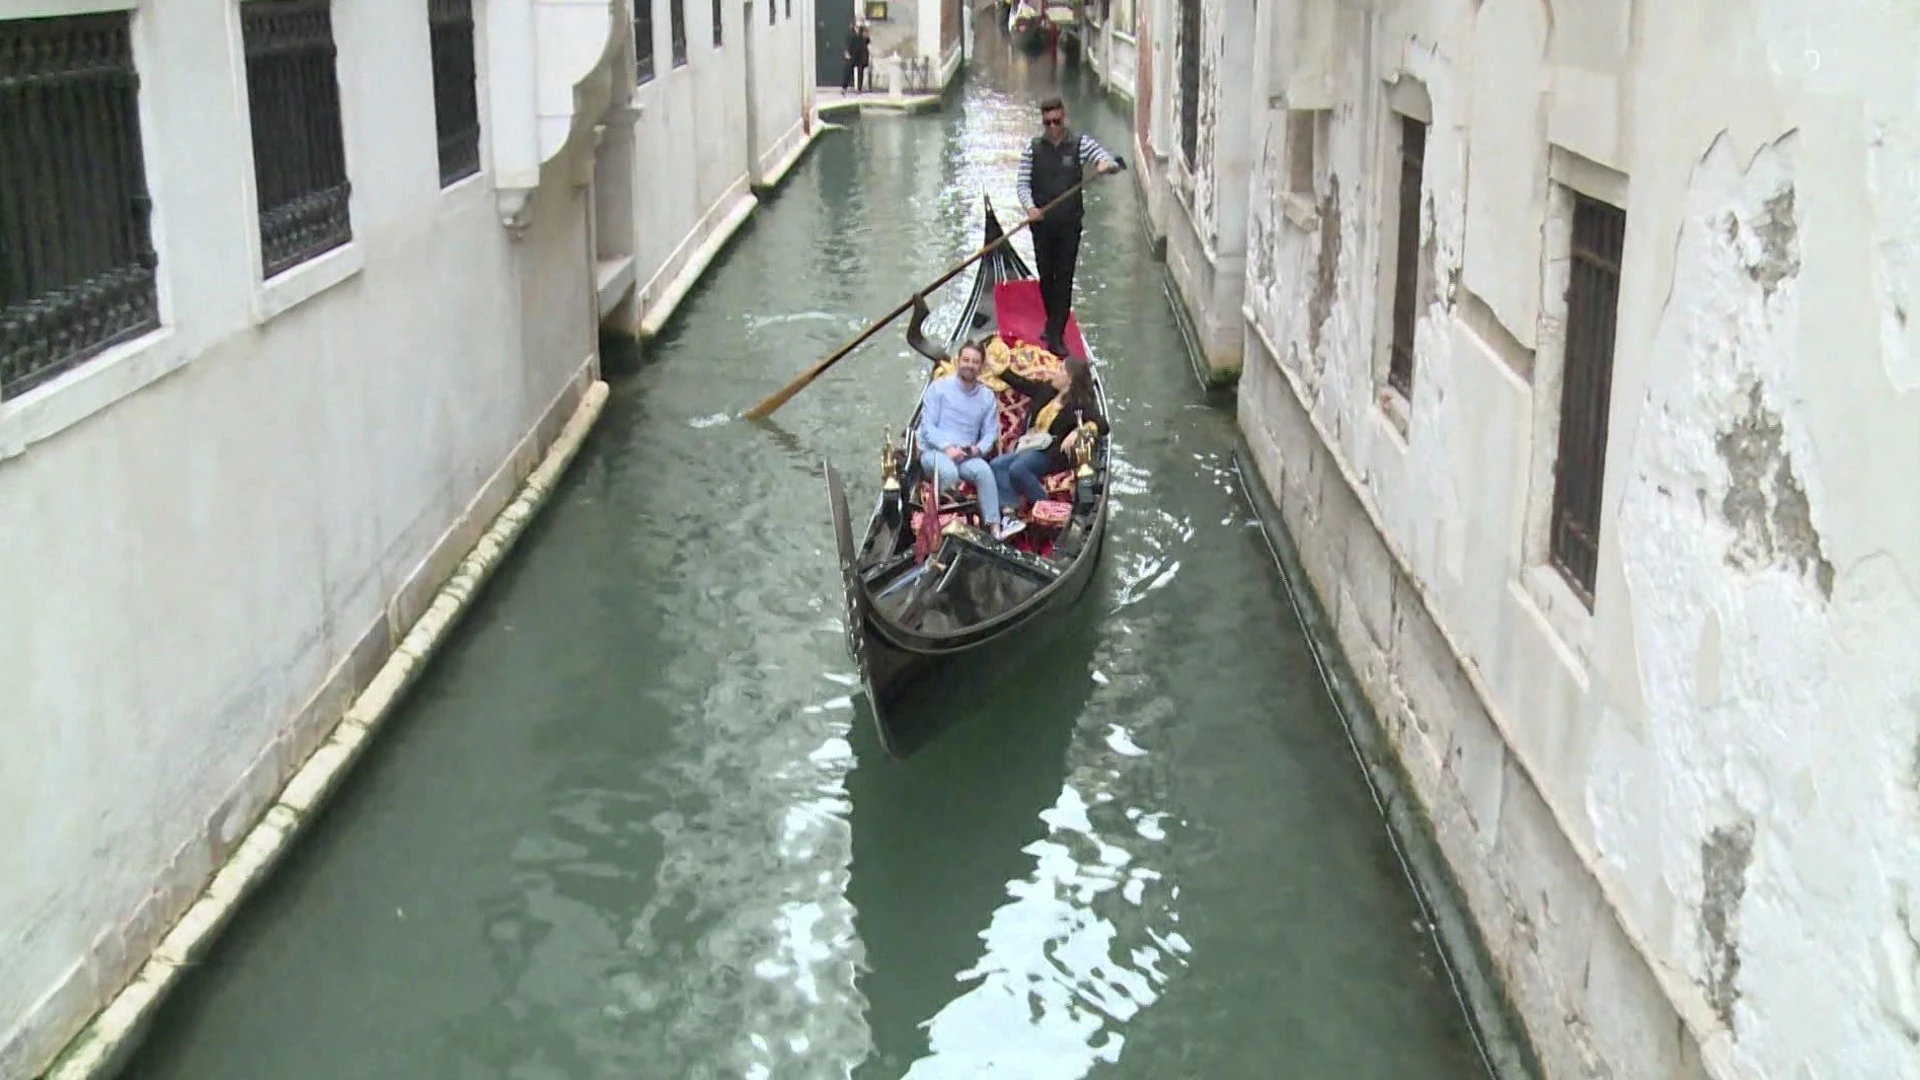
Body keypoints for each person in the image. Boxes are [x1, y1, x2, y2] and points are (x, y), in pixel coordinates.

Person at [1016, 95, 1120, 359]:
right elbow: (1022, 184)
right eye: (1047, 121)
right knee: (1046, 279)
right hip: (1041, 226)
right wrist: (1030, 208)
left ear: (1064, 115)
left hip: (1069, 226)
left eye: (1056, 120)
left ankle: (1056, 335)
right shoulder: (1032, 149)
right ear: (1042, 120)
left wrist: (1105, 164)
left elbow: (1105, 159)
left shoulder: (1080, 144)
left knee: (1063, 280)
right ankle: (1052, 324)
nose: (1052, 126)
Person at [915, 339, 1020, 540]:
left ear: (981, 367)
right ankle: (952, 529)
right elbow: (927, 428)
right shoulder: (938, 388)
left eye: (975, 362)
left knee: (984, 471)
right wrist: (947, 448)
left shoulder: (987, 396)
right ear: (958, 361)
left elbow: (989, 433)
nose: (970, 365)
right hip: (934, 452)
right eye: (966, 360)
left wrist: (976, 450)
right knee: (949, 472)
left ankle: (995, 528)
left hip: (966, 455)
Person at [990, 354, 1107, 518]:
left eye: (1060, 369)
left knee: (1018, 468)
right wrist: (1000, 370)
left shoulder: (1079, 403)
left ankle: (1050, 510)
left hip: (1051, 453)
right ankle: (1010, 511)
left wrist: (1080, 431)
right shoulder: (1047, 390)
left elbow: (1103, 425)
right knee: (997, 465)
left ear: (1070, 379)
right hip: (1030, 445)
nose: (1054, 371)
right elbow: (1022, 384)